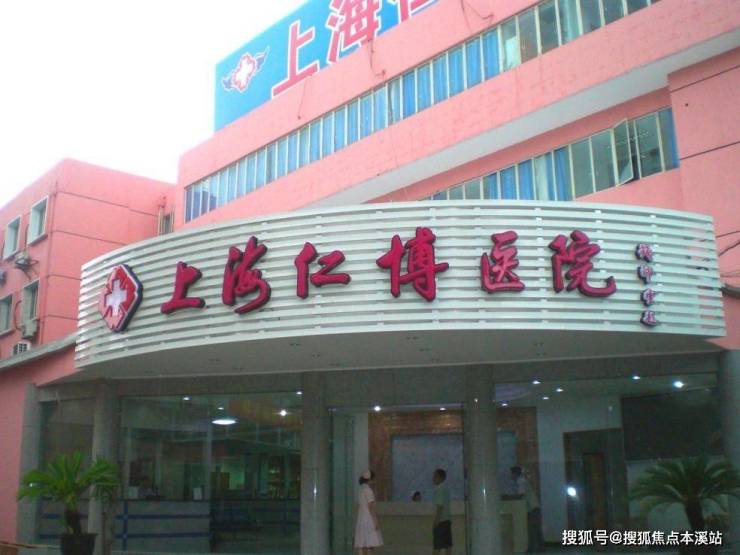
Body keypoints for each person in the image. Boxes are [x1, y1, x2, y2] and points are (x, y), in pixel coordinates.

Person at [510, 466, 544, 553]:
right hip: (535, 507)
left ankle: (532, 549)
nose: (511, 475)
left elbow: (521, 495)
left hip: (532, 508)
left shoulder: (520, 481)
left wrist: (510, 497)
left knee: (532, 530)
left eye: (512, 473)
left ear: (515, 473)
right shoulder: (523, 480)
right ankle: (540, 548)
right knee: (536, 529)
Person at [354, 470, 383, 554]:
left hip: (361, 517)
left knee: (361, 541)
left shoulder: (361, 489)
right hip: (368, 518)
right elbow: (370, 507)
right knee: (370, 542)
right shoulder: (369, 491)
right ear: (370, 480)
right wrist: (375, 521)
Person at [432, 468, 452, 555]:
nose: (432, 478)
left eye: (434, 476)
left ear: (439, 477)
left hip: (441, 522)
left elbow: (440, 507)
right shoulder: (446, 489)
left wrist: (435, 522)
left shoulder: (439, 489)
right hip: (447, 520)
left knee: (437, 546)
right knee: (448, 546)